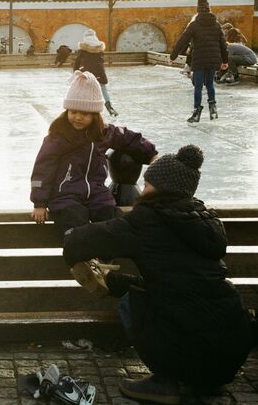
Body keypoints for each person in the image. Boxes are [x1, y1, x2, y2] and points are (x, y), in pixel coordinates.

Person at [62, 144, 254, 403]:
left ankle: (167, 380)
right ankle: (204, 381)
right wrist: (118, 281)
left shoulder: (148, 218)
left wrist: (71, 239)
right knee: (175, 302)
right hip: (231, 348)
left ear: (159, 188)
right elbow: (180, 283)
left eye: (148, 183)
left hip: (190, 347)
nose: (143, 189)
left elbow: (81, 241)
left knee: (132, 304)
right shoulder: (204, 220)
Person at [30, 71, 157, 290]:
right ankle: (84, 262)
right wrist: (39, 202)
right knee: (72, 218)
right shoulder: (58, 137)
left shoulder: (104, 133)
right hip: (66, 194)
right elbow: (42, 169)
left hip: (97, 192)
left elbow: (130, 138)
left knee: (110, 215)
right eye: (73, 111)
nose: (78, 117)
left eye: (85, 113)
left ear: (95, 115)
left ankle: (104, 263)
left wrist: (151, 154)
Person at [170, 0, 228, 122]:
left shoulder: (194, 25)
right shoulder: (217, 25)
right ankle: (213, 109)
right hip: (213, 60)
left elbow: (183, 40)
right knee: (210, 84)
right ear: (209, 9)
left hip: (199, 60)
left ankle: (196, 113)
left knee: (198, 86)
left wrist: (173, 56)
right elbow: (223, 44)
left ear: (198, 10)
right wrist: (225, 61)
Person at [73, 29, 118, 117]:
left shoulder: (82, 49)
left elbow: (77, 62)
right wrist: (103, 76)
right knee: (103, 88)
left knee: (84, 89)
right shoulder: (99, 49)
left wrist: (75, 72)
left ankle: (85, 108)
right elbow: (100, 64)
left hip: (85, 72)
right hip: (98, 72)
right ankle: (109, 106)